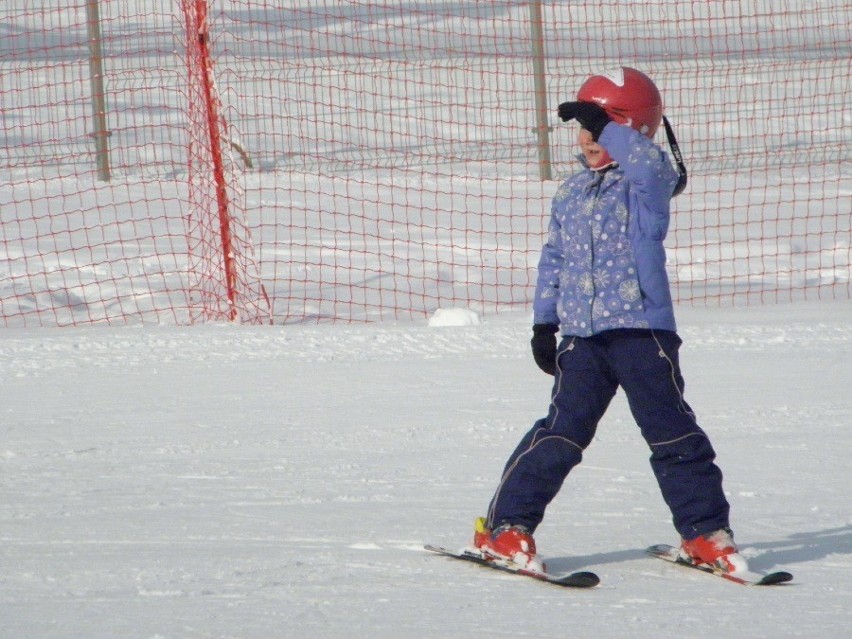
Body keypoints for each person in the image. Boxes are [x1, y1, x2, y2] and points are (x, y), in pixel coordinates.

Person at [472, 67, 748, 575]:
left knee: (672, 436)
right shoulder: (572, 193)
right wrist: (543, 322)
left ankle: (705, 535)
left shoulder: (648, 186)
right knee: (560, 433)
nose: (589, 139)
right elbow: (554, 258)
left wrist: (609, 127)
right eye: (586, 128)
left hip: (643, 335)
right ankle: (507, 529)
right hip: (581, 338)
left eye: (601, 127)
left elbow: (647, 167)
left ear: (636, 131)